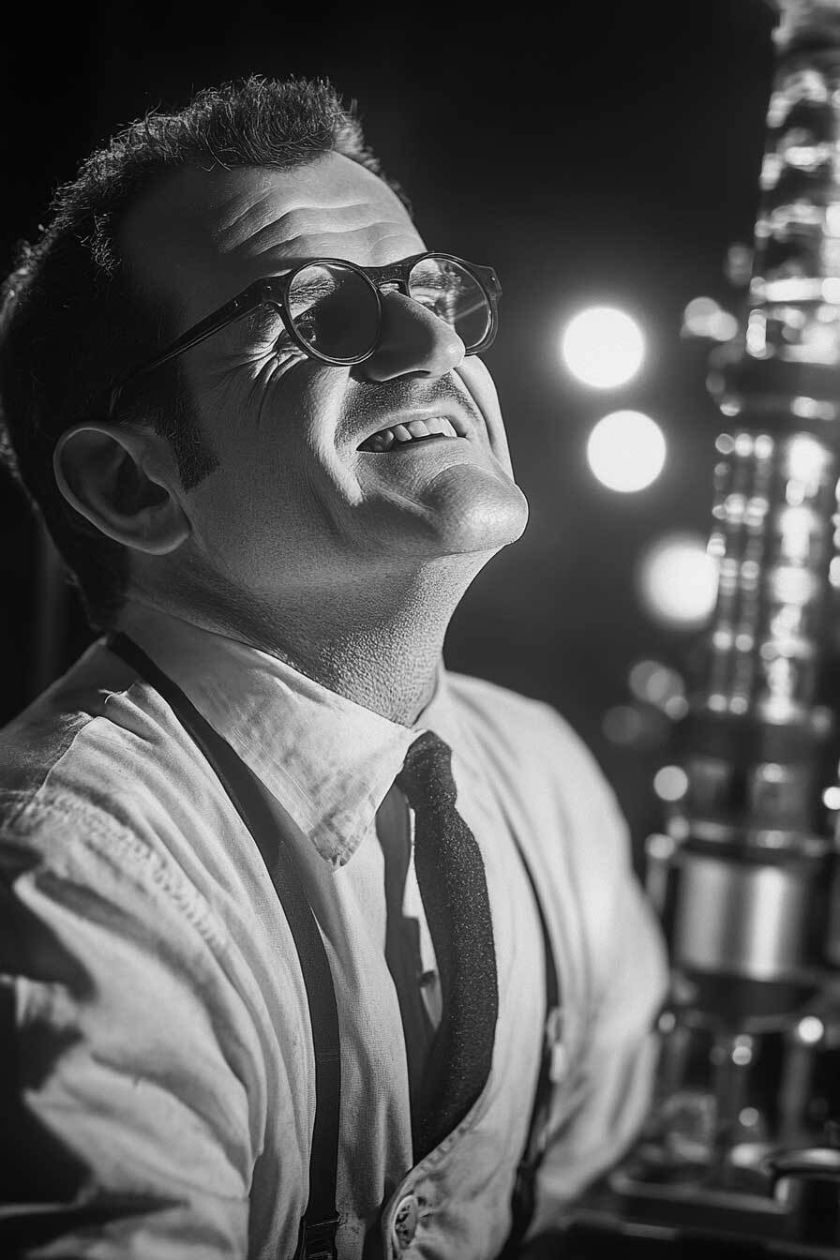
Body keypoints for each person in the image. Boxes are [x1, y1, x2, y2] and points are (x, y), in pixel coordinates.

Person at [0, 75, 668, 1260]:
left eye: (427, 292)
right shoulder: (63, 874)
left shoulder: (547, 782)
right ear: (132, 484)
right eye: (320, 313)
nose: (433, 344)